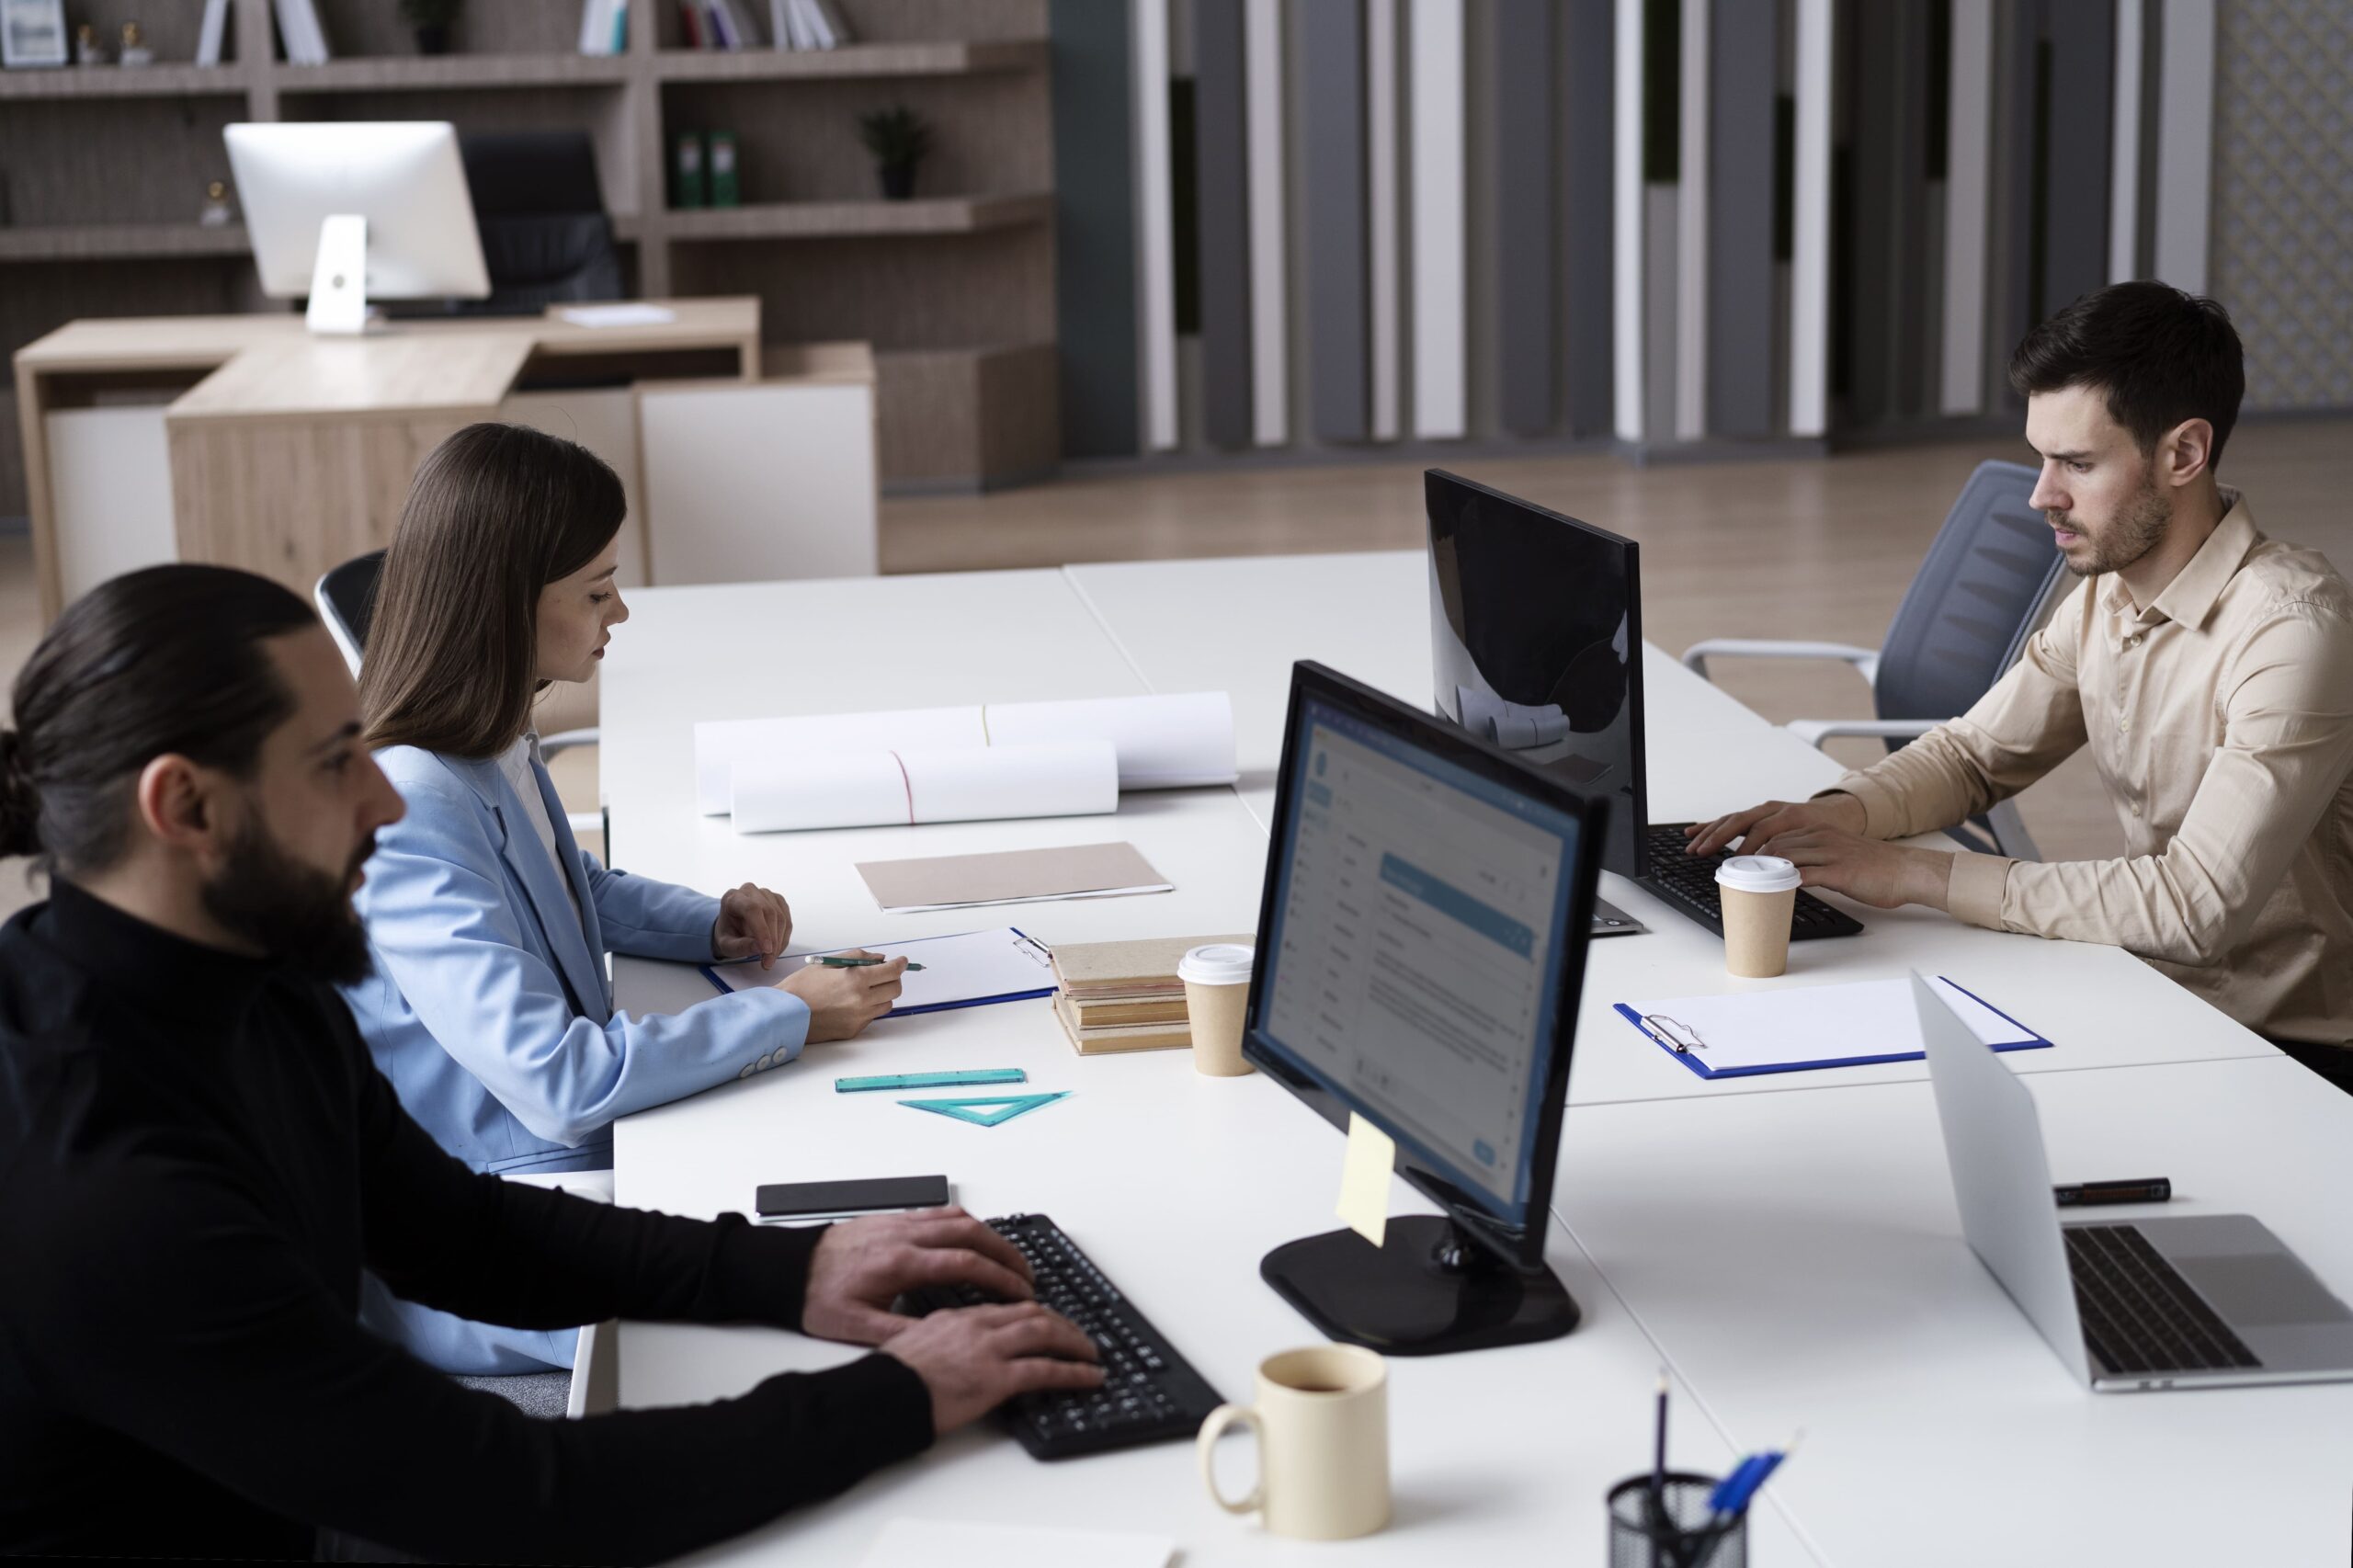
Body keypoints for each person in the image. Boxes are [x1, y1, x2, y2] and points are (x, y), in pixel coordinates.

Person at [0, 563, 1100, 1562]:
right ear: (183, 805)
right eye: (339, 762)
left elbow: (458, 1231)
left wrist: (791, 1269)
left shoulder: (251, 970)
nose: (386, 799)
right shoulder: (105, 1193)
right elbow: (525, 1492)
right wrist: (901, 1393)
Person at [1687, 281, 2353, 1091]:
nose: (2043, 496)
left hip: (2298, 1054)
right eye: (2042, 457)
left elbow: (2193, 905)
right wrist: (1831, 818)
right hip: (2159, 993)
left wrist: (1911, 876)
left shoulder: (2294, 633)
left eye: (2077, 464)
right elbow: (1975, 756)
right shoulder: (2112, 590)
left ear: (2183, 454)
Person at [343, 423, 908, 1373]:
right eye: (597, 591)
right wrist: (785, 1015)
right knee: (831, 1278)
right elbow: (560, 1083)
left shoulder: (486, 741)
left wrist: (708, 924)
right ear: (504, 607)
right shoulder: (414, 807)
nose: (623, 612)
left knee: (850, 1201)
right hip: (496, 1235)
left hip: (570, 1176)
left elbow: (576, 885)